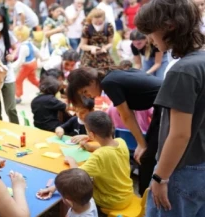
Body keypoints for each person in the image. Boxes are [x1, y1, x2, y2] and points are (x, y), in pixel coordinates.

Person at [135, 0, 205, 215]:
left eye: (151, 32)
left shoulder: (182, 71)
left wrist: (160, 176)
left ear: (169, 26)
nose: (150, 39)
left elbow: (179, 134)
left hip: (180, 168)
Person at [67, 67, 162, 196]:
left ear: (92, 81)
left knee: (146, 158)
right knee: (146, 157)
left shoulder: (108, 83)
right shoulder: (112, 75)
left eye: (85, 91)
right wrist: (142, 143)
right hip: (161, 105)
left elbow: (126, 115)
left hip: (167, 105)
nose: (87, 96)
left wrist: (142, 144)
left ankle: (146, 201)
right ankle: (145, 197)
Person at [39, 111, 133, 210]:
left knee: (77, 190)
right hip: (126, 193)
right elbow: (108, 151)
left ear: (91, 134)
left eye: (87, 131)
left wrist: (72, 162)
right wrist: (89, 146)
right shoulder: (121, 142)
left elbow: (77, 177)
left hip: (112, 201)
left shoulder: (99, 156)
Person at [12, 25, 43, 104]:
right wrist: (41, 58)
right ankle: (44, 88)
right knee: (32, 79)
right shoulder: (29, 43)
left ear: (20, 36)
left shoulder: (23, 47)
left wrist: (12, 67)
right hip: (33, 63)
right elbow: (37, 51)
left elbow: (20, 61)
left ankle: (18, 96)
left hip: (27, 66)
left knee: (18, 80)